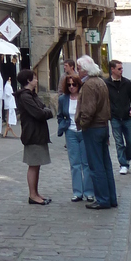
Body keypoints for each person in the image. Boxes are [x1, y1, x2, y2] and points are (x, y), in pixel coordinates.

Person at [75, 55, 117, 210]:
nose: (77, 71)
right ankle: (110, 197)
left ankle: (103, 199)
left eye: (79, 69)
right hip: (102, 126)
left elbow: (88, 110)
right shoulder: (100, 82)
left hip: (93, 128)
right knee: (105, 164)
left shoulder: (89, 85)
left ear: (85, 70)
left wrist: (83, 124)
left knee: (96, 165)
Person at [16, 68, 53, 205]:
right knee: (33, 164)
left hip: (38, 132)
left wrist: (45, 111)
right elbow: (39, 113)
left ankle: (36, 193)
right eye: (34, 78)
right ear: (28, 80)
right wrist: (46, 112)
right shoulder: (25, 96)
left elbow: (44, 108)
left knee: (37, 164)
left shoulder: (32, 95)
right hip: (32, 133)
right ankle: (32, 195)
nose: (37, 80)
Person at [57, 74, 94, 202]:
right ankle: (77, 192)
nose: (72, 87)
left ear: (79, 85)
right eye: (69, 85)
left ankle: (89, 192)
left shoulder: (83, 97)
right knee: (74, 164)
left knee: (86, 163)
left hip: (83, 131)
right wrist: (64, 126)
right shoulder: (63, 99)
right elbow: (60, 115)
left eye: (74, 84)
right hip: (70, 132)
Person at [106, 59, 131, 175]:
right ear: (112, 69)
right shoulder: (107, 84)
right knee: (119, 142)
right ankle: (123, 164)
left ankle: (128, 156)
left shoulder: (126, 83)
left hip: (127, 117)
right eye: (119, 69)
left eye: (122, 68)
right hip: (115, 117)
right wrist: (109, 113)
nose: (121, 71)